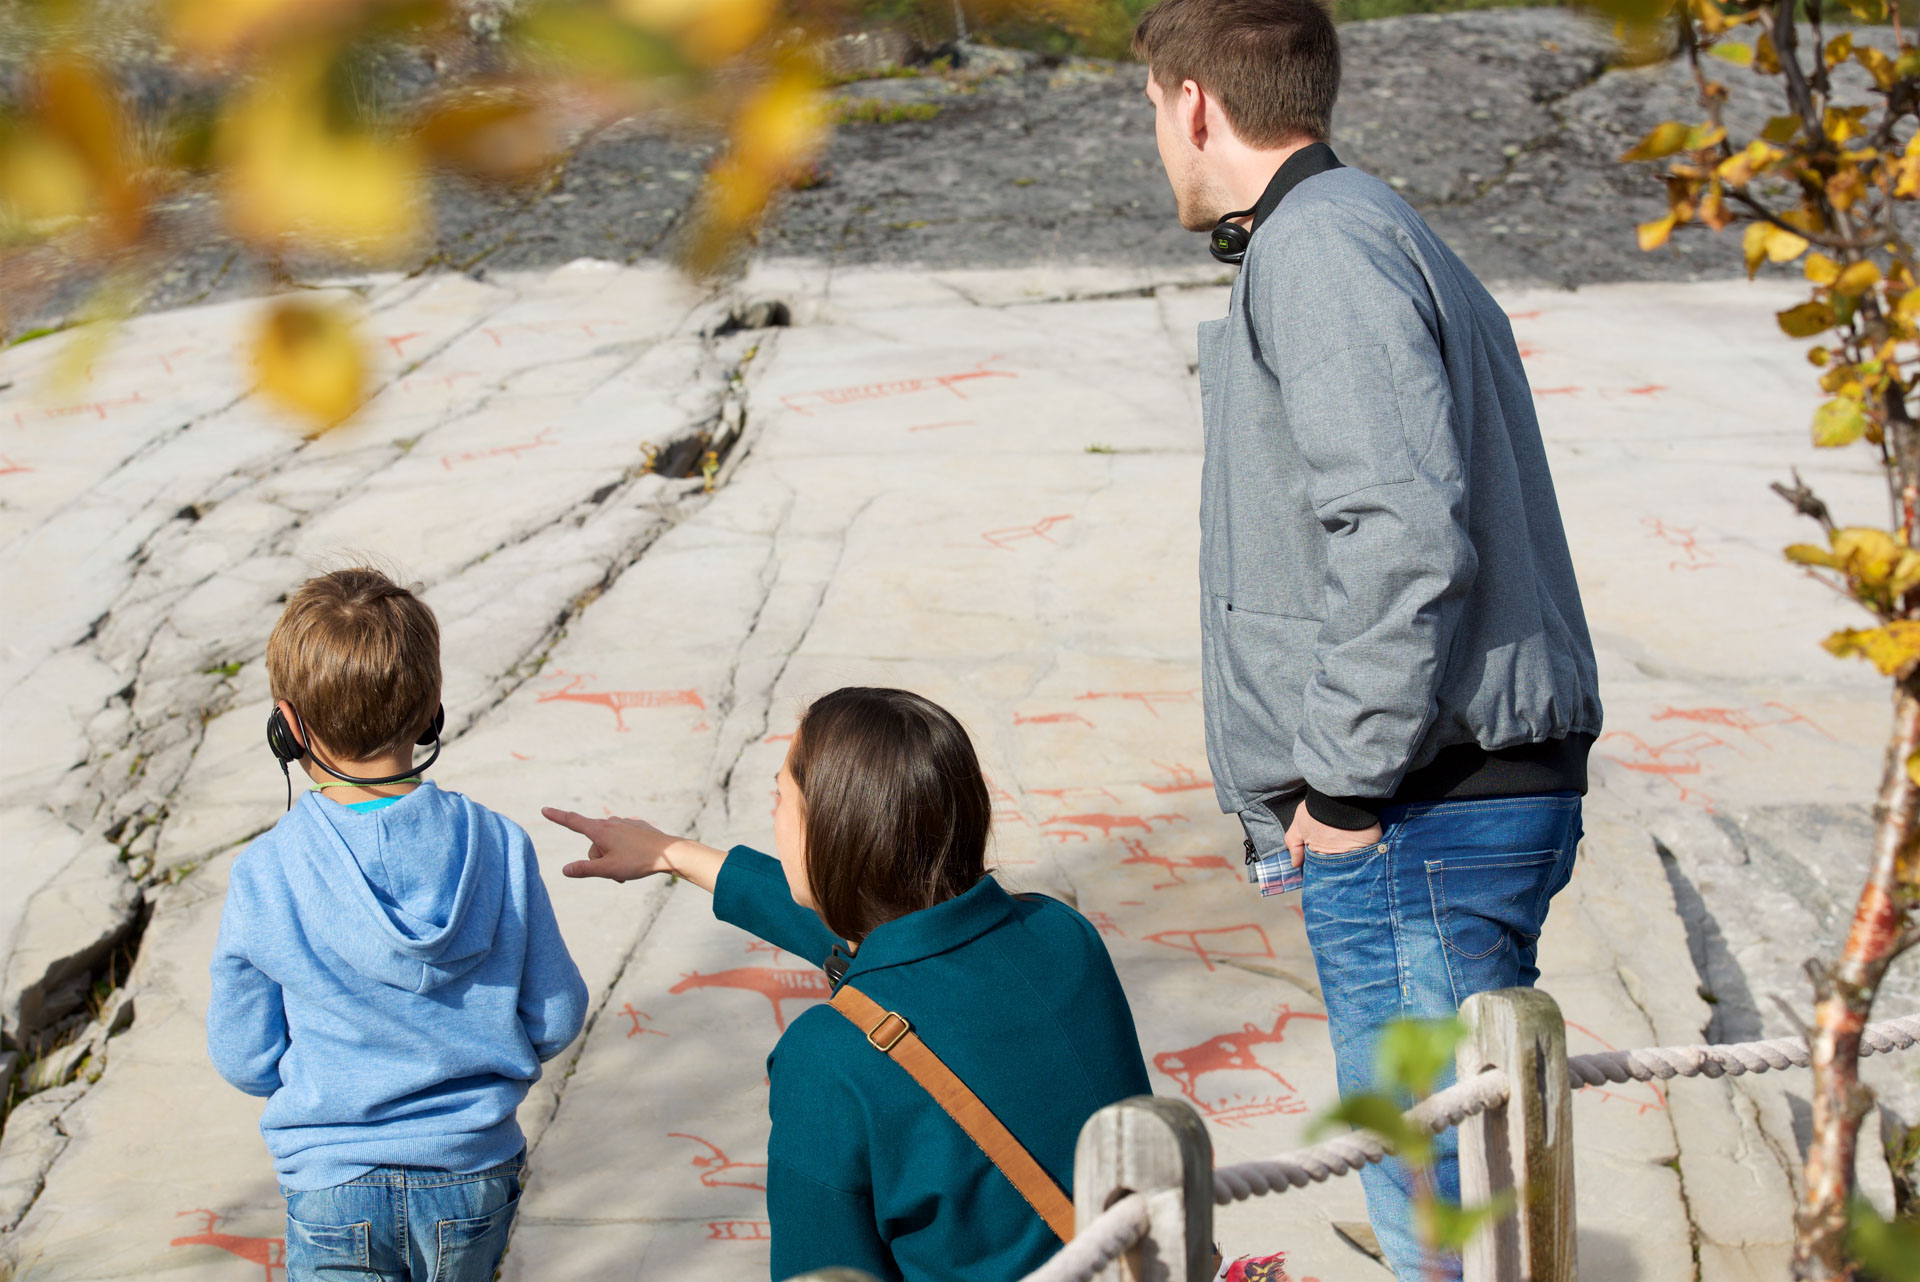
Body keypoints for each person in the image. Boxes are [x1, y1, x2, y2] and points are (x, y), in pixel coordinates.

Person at [1132, 1, 1603, 1277]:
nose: (1157, 139)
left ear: (1194, 104)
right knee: (1477, 1203)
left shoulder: (1321, 246)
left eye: (1153, 110)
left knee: (1440, 1228)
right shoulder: (1366, 226)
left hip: (1415, 811)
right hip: (1450, 797)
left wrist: (1342, 783)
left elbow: (1401, 533)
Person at [543, 686, 1152, 1282]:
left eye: (780, 798)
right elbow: (888, 930)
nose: (773, 814)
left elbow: (822, 1271)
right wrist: (672, 853)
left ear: (831, 832)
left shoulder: (828, 1060)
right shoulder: (1062, 935)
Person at [206, 567, 589, 1282]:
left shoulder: (267, 868)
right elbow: (556, 1015)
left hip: (332, 1181)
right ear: (432, 712)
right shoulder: (499, 844)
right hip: (472, 1172)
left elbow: (243, 1057)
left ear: (286, 727)